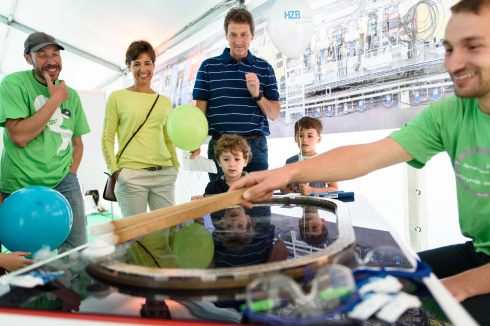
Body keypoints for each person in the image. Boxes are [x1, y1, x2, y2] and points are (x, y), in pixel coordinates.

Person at [231, 0, 490, 323]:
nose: (454, 63)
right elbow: (369, 155)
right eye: (449, 49)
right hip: (479, 252)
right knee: (375, 287)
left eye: (473, 47)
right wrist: (284, 173)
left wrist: (461, 285)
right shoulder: (450, 113)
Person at [0, 32, 90, 252]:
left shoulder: (73, 96)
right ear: (27, 58)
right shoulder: (14, 83)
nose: (51, 61)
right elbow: (19, 136)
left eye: (55, 54)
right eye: (42, 55)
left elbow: (78, 143)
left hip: (64, 181)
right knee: (28, 254)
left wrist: (71, 173)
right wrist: (56, 99)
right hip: (21, 184)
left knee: (76, 250)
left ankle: (70, 287)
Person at [191, 8, 281, 181]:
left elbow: (274, 113)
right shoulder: (208, 67)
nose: (238, 41)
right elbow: (199, 113)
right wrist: (195, 142)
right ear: (226, 35)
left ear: (253, 35)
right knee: (220, 203)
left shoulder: (265, 68)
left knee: (257, 204)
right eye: (233, 35)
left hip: (255, 149)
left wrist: (258, 95)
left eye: (244, 35)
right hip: (220, 148)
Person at [101, 40, 180, 218]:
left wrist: (175, 166)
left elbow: (168, 139)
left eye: (147, 63)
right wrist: (115, 171)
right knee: (136, 237)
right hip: (131, 176)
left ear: (153, 65)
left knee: (167, 232)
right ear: (129, 66)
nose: (143, 69)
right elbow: (107, 138)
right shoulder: (117, 97)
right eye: (136, 64)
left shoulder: (164, 102)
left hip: (164, 173)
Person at [280, 117, 339, 195]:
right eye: (301, 135)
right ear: (295, 138)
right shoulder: (289, 162)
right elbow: (283, 187)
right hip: (295, 205)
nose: (304, 139)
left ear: (319, 139)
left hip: (318, 205)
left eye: (310, 136)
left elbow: (334, 188)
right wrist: (295, 197)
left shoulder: (325, 162)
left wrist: (312, 191)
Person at [191, 134, 251, 201]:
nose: (231, 164)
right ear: (219, 162)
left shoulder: (253, 186)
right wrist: (199, 203)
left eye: (237, 159)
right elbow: (208, 209)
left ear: (245, 162)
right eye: (226, 159)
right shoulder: (212, 187)